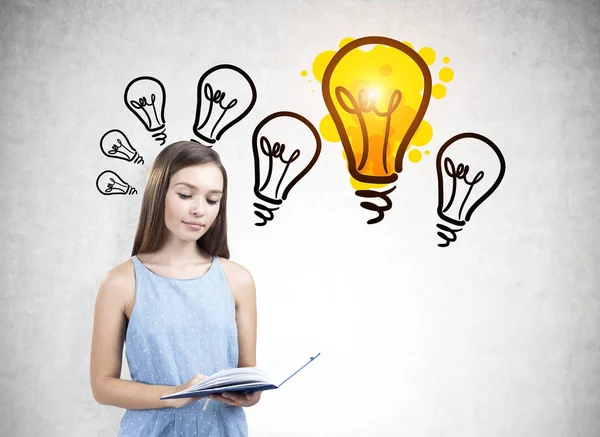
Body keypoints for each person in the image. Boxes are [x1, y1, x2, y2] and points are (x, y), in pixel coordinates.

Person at [90, 141, 261, 436]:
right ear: (159, 195)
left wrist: (251, 394)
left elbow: (248, 374)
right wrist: (176, 394)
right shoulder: (121, 283)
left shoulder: (238, 280)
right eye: (185, 194)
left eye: (212, 200)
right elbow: (103, 386)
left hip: (223, 429)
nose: (199, 210)